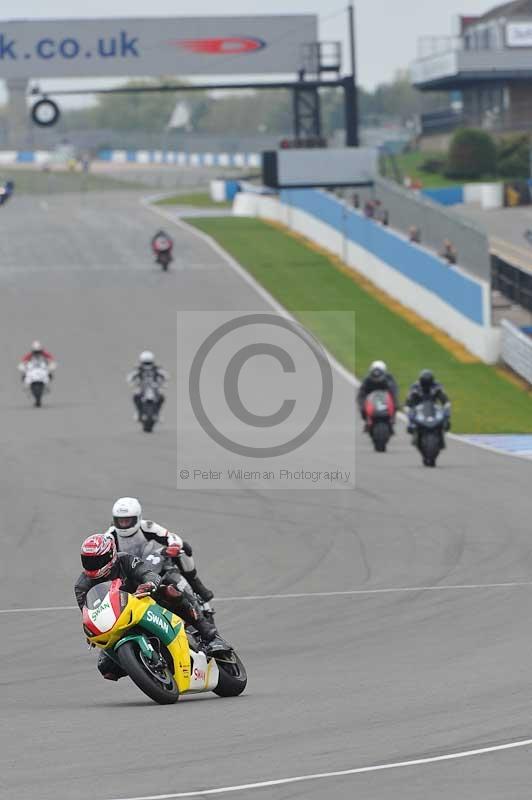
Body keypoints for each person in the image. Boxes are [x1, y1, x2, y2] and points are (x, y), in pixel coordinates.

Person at [75, 532, 218, 681]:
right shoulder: (82, 585)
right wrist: (92, 629)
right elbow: (88, 612)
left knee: (171, 592)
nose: (92, 565)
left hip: (146, 600)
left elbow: (148, 574)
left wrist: (148, 584)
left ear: (110, 554)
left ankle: (208, 634)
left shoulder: (124, 560)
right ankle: (147, 670)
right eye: (88, 561)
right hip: (117, 620)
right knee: (106, 667)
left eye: (97, 560)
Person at [107, 496, 214, 602]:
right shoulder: (110, 535)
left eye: (127, 521)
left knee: (184, 547)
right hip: (129, 574)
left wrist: (174, 546)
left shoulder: (147, 526)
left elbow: (171, 536)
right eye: (120, 521)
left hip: (153, 561)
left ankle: (195, 583)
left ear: (138, 518)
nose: (124, 524)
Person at [405, 369, 451, 433]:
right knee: (411, 418)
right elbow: (409, 400)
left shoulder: (437, 385)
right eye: (425, 382)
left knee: (444, 415)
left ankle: (444, 424)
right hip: (419, 407)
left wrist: (446, 406)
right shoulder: (415, 386)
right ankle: (411, 424)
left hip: (433, 407)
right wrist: (409, 406)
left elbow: (444, 398)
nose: (427, 385)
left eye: (428, 382)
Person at [127, 351, 167, 421]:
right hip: (142, 387)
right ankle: (138, 412)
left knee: (161, 397)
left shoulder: (156, 369)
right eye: (145, 363)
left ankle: (158, 413)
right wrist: (133, 383)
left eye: (148, 363)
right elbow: (130, 377)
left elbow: (165, 376)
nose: (147, 365)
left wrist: (162, 383)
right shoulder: (138, 369)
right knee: (136, 396)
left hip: (154, 387)